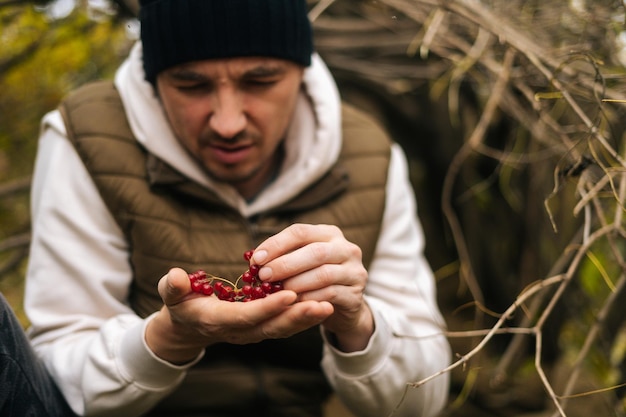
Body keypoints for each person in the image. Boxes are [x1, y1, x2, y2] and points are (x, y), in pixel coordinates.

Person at [4, 0, 451, 416]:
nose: (228, 122)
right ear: (152, 80)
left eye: (260, 81)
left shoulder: (368, 154)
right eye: (191, 84)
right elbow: (56, 375)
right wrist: (169, 337)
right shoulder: (87, 137)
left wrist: (359, 326)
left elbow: (424, 398)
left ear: (303, 70)